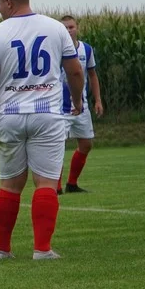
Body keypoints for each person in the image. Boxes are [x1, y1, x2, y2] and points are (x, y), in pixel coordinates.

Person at [0, 0, 84, 260]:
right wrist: (76, 99)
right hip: (46, 114)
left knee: (10, 185)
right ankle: (42, 249)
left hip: (9, 114)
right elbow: (74, 71)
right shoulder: (56, 28)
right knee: (46, 183)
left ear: (8, 2)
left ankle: (3, 250)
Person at [56, 15, 104, 194]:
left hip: (81, 107)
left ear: (77, 28)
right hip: (60, 108)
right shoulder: (56, 50)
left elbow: (92, 75)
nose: (68, 31)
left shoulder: (86, 49)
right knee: (57, 147)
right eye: (65, 28)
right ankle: (57, 187)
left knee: (86, 144)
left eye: (71, 27)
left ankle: (72, 184)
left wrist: (98, 100)